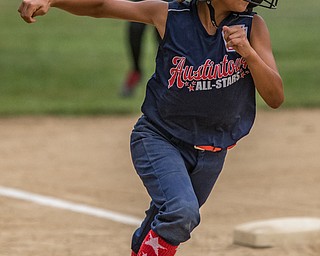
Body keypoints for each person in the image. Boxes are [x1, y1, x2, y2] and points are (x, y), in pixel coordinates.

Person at [18, 0, 284, 255]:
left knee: (164, 219)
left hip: (212, 152)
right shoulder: (169, 15)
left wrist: (248, 53)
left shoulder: (254, 27)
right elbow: (102, 6)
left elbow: (275, 97)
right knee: (182, 212)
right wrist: (52, 0)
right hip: (160, 138)